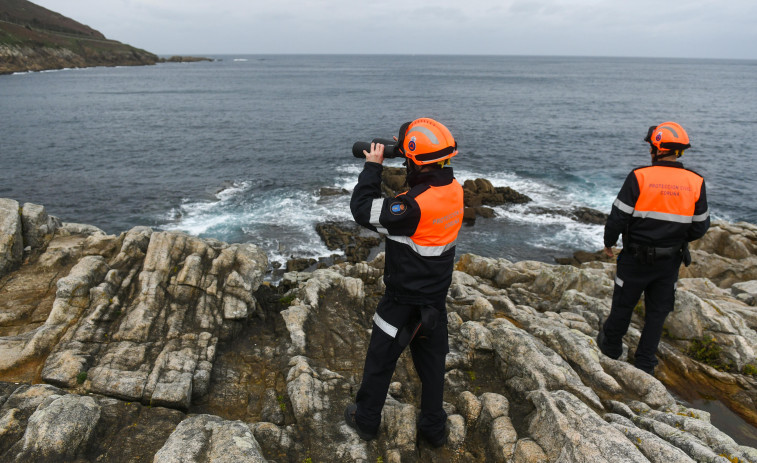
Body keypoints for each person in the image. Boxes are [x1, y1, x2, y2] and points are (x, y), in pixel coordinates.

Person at [344, 118, 464, 447]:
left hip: (402, 301)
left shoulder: (412, 207)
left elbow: (362, 210)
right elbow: (420, 195)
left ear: (413, 159)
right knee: (432, 367)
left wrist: (373, 166)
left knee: (380, 361)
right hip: (434, 300)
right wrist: (410, 157)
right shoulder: (454, 191)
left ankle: (366, 419)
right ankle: (433, 430)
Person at [597, 121, 710, 375]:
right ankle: (645, 363)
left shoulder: (639, 177)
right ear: (679, 151)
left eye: (651, 145)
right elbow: (700, 227)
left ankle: (611, 350)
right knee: (657, 313)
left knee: (623, 306)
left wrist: (609, 242)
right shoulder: (695, 181)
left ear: (657, 148)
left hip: (635, 258)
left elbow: (618, 217)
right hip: (669, 261)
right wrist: (675, 239)